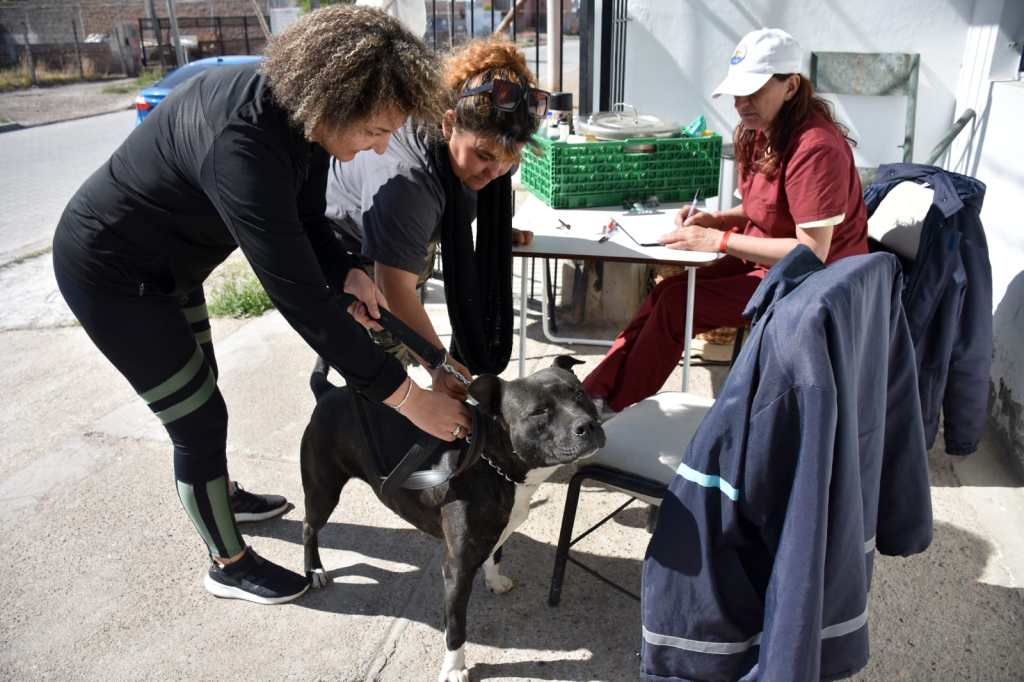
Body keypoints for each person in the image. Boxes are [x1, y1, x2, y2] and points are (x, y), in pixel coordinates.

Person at [52, 5, 472, 605]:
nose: (380, 148)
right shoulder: (242, 145)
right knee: (197, 416)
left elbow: (304, 218)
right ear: (335, 101)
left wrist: (347, 271)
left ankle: (217, 493)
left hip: (172, 269)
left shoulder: (303, 115)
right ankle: (227, 563)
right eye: (375, 132)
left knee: (204, 389)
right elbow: (301, 301)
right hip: (110, 275)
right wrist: (409, 400)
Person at [583, 28, 869, 414]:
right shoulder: (759, 132)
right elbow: (762, 210)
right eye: (737, 92)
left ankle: (614, 406)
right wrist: (716, 219)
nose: (741, 103)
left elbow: (811, 252)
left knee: (679, 304)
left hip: (812, 284)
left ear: (791, 86)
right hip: (769, 263)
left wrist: (716, 241)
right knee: (667, 292)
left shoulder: (815, 148)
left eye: (753, 91)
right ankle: (594, 391)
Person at [324, 37, 544, 399]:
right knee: (384, 376)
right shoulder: (407, 183)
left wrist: (497, 230)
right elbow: (393, 287)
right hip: (351, 255)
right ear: (448, 125)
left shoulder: (476, 156)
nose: (497, 171)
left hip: (407, 234)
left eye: (510, 158)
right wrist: (436, 363)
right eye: (485, 155)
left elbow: (480, 180)